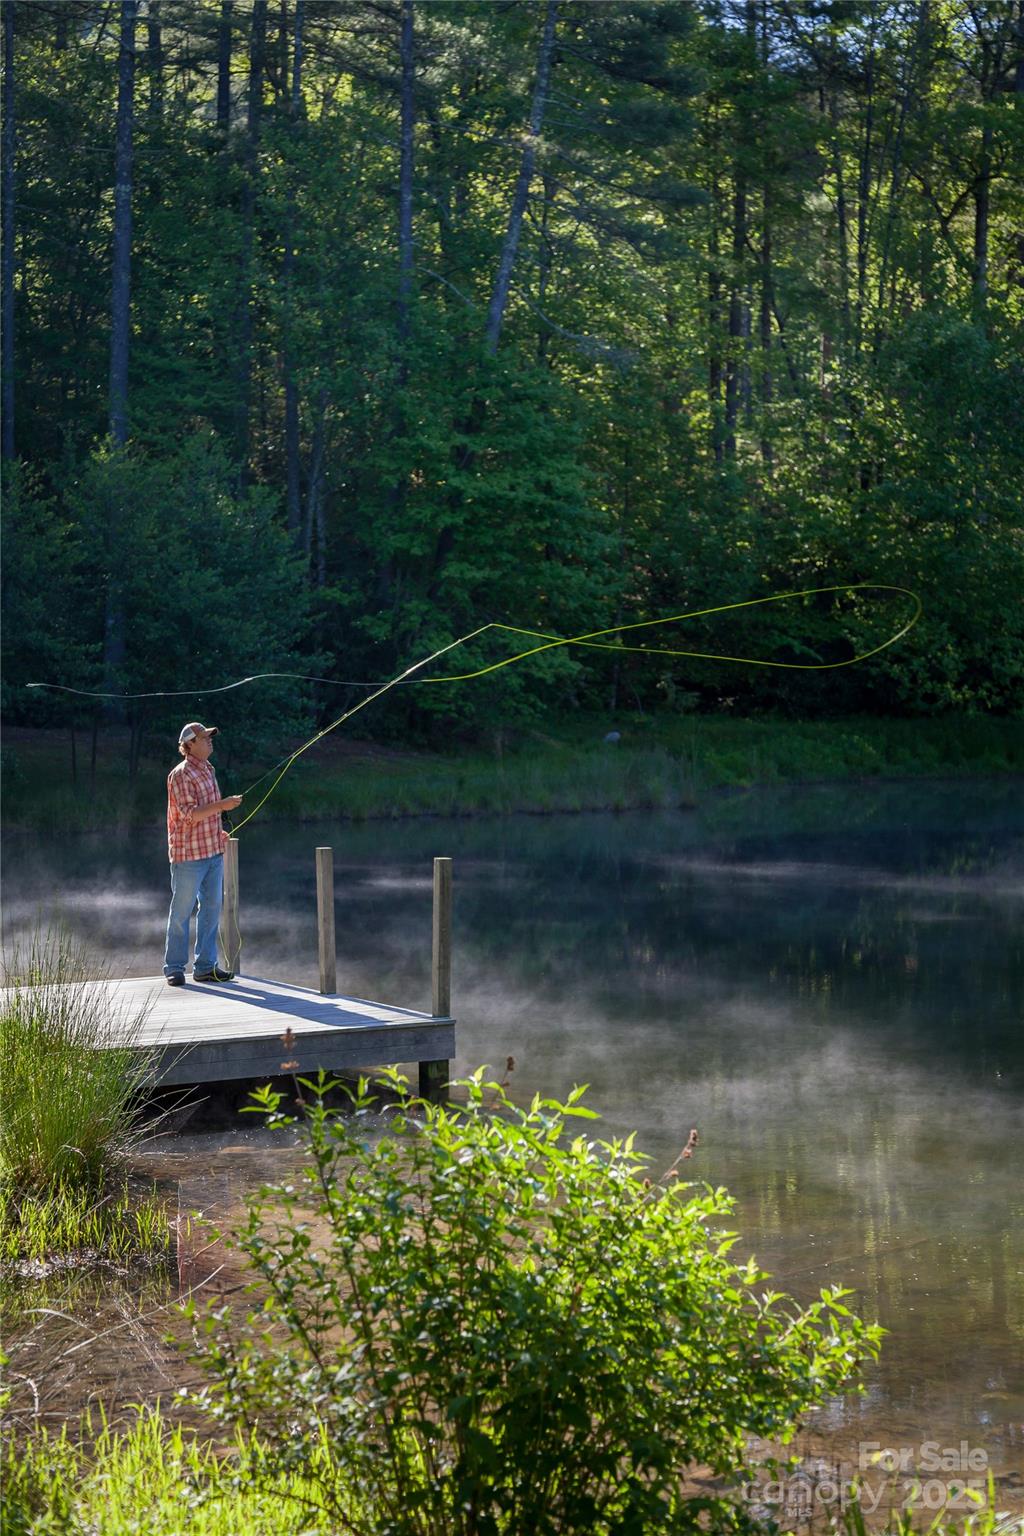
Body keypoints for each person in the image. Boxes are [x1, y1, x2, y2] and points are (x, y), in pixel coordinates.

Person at [164, 722, 243, 986]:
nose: (210, 740)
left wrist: (218, 833)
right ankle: (174, 968)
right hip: (188, 857)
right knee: (181, 913)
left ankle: (205, 967)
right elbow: (189, 815)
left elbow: (206, 816)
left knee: (210, 910)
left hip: (212, 852)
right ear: (189, 744)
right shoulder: (180, 775)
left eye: (210, 736)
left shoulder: (208, 770)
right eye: (204, 737)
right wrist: (222, 805)